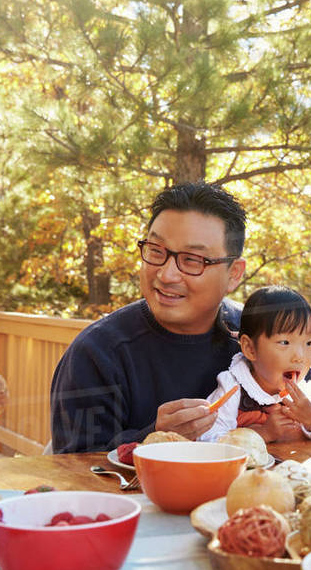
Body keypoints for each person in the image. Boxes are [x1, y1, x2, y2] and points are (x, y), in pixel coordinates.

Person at [50, 183, 247, 453]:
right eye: (156, 251)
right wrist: (155, 438)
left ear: (234, 273)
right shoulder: (98, 352)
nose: (166, 275)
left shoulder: (261, 336)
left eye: (192, 260)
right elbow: (73, 470)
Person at [199, 285, 311, 443]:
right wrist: (263, 433)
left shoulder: (304, 394)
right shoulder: (233, 387)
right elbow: (206, 438)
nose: (299, 357)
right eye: (285, 342)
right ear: (250, 348)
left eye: (309, 343)